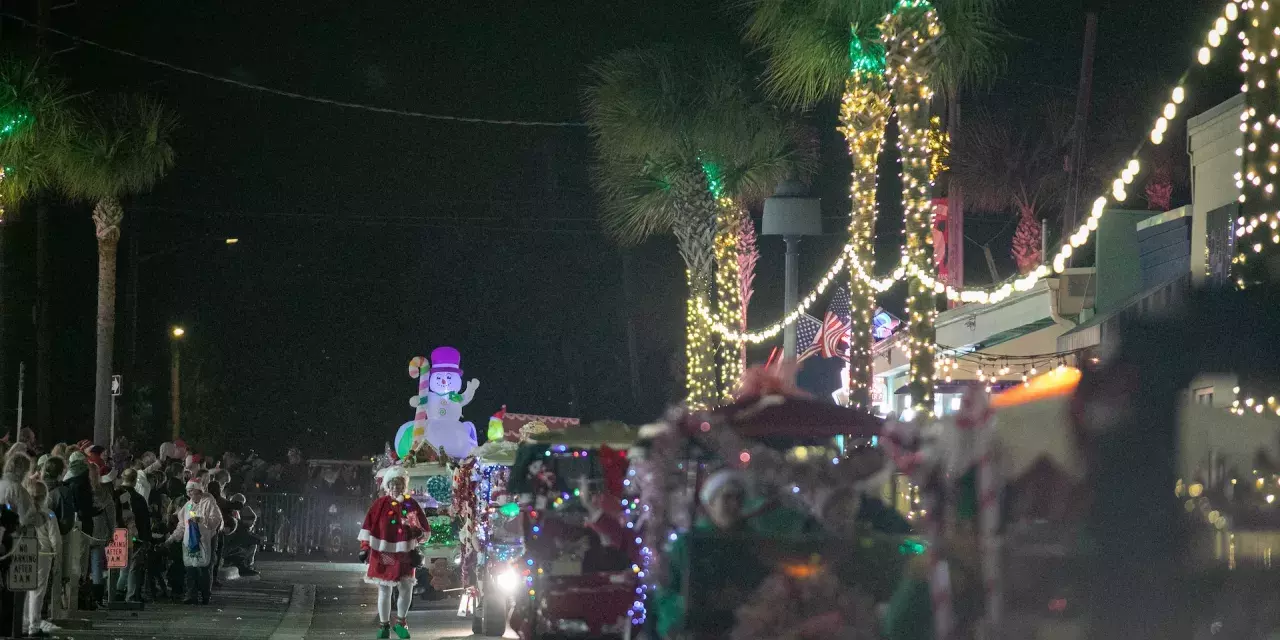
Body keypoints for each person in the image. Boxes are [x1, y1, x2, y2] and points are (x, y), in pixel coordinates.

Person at [358, 467, 429, 640]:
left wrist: (417, 532)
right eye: (393, 484)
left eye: (399, 483)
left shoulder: (411, 504)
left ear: (403, 485)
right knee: (384, 589)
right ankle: (384, 626)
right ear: (388, 485)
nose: (396, 487)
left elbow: (422, 529)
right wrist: (365, 547)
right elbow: (368, 526)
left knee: (406, 588)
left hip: (405, 553)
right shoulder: (379, 504)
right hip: (384, 553)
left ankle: (401, 622)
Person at [168, 480, 223, 605]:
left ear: (198, 491)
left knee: (204, 568)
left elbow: (216, 520)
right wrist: (172, 538)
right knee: (190, 567)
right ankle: (191, 595)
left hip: (207, 540)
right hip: (191, 540)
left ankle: (205, 595)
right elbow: (182, 524)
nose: (189, 493)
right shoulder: (188, 505)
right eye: (188, 491)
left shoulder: (209, 502)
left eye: (191, 491)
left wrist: (202, 520)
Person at [22, 477, 61, 637]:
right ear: (45, 495)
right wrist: (58, 557)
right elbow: (55, 539)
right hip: (43, 555)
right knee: (37, 592)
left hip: (23, 553)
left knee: (23, 589)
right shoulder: (49, 514)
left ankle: (23, 624)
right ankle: (34, 626)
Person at [114, 469, 154, 603]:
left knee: (116, 565)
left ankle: (113, 592)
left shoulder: (115, 494)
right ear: (135, 479)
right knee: (133, 567)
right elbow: (144, 520)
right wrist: (147, 538)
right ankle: (130, 595)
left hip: (117, 534)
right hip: (135, 536)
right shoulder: (139, 498)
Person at [223, 493, 261, 578]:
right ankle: (244, 566)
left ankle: (245, 565)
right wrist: (259, 540)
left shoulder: (235, 515)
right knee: (250, 546)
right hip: (227, 549)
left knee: (248, 545)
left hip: (228, 545)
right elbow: (245, 536)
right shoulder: (235, 518)